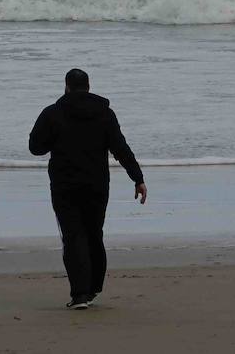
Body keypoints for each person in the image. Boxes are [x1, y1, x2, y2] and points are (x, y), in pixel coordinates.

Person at [28, 68, 146, 310]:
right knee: (94, 234)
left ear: (66, 86)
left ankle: (80, 294)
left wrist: (55, 139)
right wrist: (138, 178)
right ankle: (93, 289)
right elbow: (120, 148)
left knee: (73, 236)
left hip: (64, 185)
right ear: (89, 86)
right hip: (97, 184)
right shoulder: (105, 114)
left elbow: (35, 147)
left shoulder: (52, 113)